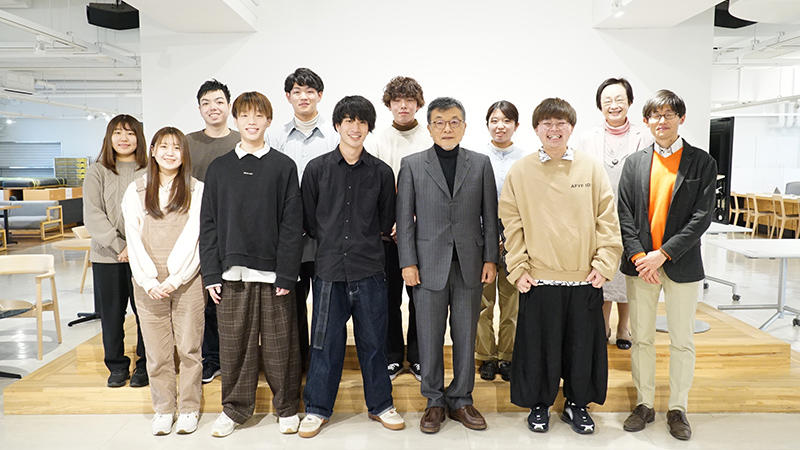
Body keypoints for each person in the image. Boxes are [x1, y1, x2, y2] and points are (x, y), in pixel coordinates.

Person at [499, 98, 622, 435]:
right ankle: (539, 405)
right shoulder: (521, 171)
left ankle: (576, 405)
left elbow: (607, 219)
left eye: (561, 124)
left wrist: (605, 262)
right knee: (539, 348)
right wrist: (518, 267)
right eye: (547, 124)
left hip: (584, 278)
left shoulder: (591, 168)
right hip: (538, 279)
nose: (554, 130)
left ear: (571, 127)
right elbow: (511, 223)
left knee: (581, 349)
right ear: (536, 129)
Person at [298, 95, 404, 438]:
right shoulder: (316, 169)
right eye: (348, 120)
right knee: (324, 344)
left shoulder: (382, 173)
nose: (355, 127)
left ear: (369, 127)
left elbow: (386, 220)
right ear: (337, 125)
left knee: (373, 343)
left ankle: (381, 405)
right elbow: (309, 220)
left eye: (361, 121)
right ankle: (317, 409)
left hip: (370, 270)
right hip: (329, 271)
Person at [200, 91, 304, 437]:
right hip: (231, 272)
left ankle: (286, 407)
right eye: (245, 115)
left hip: (275, 273)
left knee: (280, 346)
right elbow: (208, 224)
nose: (252, 122)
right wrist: (211, 273)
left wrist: (287, 273)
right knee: (234, 346)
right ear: (236, 120)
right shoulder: (219, 168)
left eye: (259, 116)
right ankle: (234, 409)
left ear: (269, 121)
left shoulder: (283, 166)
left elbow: (292, 225)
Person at [618, 89, 716, 441]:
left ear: (681, 118)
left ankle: (678, 408)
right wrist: (639, 256)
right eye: (655, 116)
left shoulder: (701, 162)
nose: (662, 121)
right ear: (646, 121)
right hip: (642, 265)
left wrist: (663, 253)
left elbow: (702, 217)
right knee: (641, 338)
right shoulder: (634, 163)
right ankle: (644, 404)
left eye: (668, 114)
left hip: (681, 264)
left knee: (682, 340)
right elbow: (624, 214)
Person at [396, 97, 498, 434]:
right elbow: (404, 220)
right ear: (429, 128)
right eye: (439, 122)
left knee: (466, 335)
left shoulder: (480, 164)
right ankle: (434, 400)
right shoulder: (412, 165)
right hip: (427, 266)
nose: (447, 128)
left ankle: (462, 398)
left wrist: (491, 259)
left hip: (470, 264)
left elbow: (490, 216)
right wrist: (408, 262)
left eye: (454, 121)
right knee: (429, 336)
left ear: (464, 127)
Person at [122, 127, 205, 435]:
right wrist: (148, 280)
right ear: (153, 151)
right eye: (164, 147)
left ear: (185, 154)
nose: (171, 153)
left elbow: (196, 237)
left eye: (177, 148)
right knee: (157, 353)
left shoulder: (197, 189)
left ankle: (189, 408)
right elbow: (133, 237)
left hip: (187, 279)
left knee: (189, 349)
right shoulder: (136, 190)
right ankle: (164, 409)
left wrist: (176, 278)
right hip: (148, 281)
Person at [270, 68, 339, 371]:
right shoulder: (275, 137)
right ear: (288, 97)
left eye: (310, 91)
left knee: (327, 306)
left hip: (326, 237)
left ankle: (322, 367)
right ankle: (296, 366)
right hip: (289, 237)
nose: (304, 97)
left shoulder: (335, 136)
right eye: (297, 91)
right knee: (292, 306)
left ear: (320, 95)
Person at [577, 77, 653, 350]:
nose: (614, 105)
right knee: (602, 270)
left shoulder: (645, 136)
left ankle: (623, 327)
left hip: (633, 216)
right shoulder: (588, 138)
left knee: (628, 272)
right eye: (607, 100)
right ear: (600, 105)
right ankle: (603, 325)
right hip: (599, 216)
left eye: (619, 99)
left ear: (630, 102)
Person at [369, 76, 432, 381]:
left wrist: (413, 220)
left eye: (409, 100)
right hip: (387, 234)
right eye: (397, 100)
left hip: (423, 232)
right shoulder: (377, 139)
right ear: (389, 105)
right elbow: (374, 188)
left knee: (421, 299)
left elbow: (432, 188)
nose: (403, 106)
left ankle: (419, 358)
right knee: (388, 299)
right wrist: (393, 224)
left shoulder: (429, 137)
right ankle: (392, 356)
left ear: (418, 104)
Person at [83, 114, 149, 389]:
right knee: (111, 315)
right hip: (107, 257)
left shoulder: (150, 170)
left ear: (139, 138)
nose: (124, 138)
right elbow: (93, 214)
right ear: (109, 138)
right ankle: (117, 365)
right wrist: (120, 245)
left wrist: (135, 247)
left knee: (146, 313)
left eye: (130, 133)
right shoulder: (97, 171)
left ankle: (145, 364)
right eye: (118, 133)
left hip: (144, 256)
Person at [186, 78, 241, 384]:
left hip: (233, 231)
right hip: (195, 230)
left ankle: (232, 357)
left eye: (219, 101)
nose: (213, 107)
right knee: (203, 297)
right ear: (199, 109)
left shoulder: (240, 140)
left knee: (229, 297)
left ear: (228, 106)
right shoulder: (188, 142)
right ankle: (210, 358)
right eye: (206, 103)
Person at [476, 100, 527, 382]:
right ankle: (485, 356)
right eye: (494, 120)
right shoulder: (476, 157)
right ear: (487, 124)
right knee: (482, 302)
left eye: (506, 120)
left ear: (516, 126)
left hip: (515, 236)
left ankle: (507, 355)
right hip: (481, 235)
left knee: (512, 302)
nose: (500, 126)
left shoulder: (526, 158)